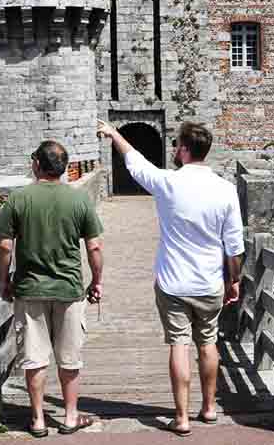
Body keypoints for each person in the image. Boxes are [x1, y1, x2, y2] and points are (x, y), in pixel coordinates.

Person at [96, 120, 243, 437]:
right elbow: (234, 247)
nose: (174, 149)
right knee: (208, 342)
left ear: (186, 150)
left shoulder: (167, 183)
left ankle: (181, 417)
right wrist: (234, 281)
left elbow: (135, 163)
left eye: (177, 145)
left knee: (179, 344)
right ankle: (209, 407)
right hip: (208, 282)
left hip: (173, 282)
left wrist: (114, 134)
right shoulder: (226, 190)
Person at [0, 140, 104, 438]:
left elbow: (4, 246)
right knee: (69, 358)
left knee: (35, 357)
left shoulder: (19, 199)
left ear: (38, 165)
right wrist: (96, 281)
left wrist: (4, 280)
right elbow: (94, 247)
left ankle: (39, 420)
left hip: (30, 290)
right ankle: (69, 417)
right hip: (68, 290)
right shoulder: (78, 199)